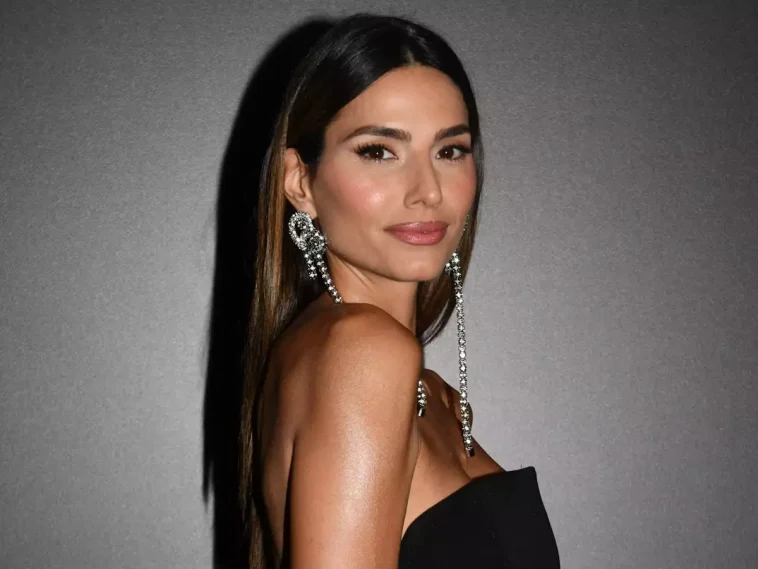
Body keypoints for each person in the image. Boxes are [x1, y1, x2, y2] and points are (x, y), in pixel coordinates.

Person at [238, 13, 560, 569]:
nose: (427, 191)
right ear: (300, 182)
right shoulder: (363, 356)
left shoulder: (421, 389)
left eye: (450, 151)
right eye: (378, 151)